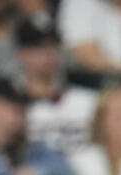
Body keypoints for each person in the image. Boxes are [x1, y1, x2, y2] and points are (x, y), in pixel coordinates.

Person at [14, 19, 99, 156]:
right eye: (38, 47)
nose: (48, 53)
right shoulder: (10, 105)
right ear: (21, 54)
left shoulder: (89, 101)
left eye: (53, 45)